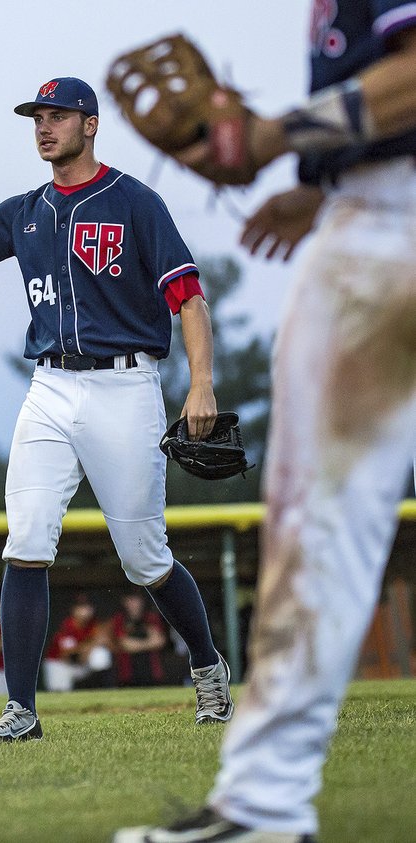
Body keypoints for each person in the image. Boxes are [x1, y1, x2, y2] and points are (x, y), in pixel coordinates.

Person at [115, 4, 416, 841]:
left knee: (320, 523)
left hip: (394, 230)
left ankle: (264, 805)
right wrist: (323, 185)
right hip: (371, 207)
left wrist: (278, 135)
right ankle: (263, 803)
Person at [0, 77, 234, 746]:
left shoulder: (135, 203)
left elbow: (190, 299)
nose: (44, 126)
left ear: (91, 124)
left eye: (58, 116)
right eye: (37, 117)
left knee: (145, 558)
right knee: (25, 542)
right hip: (49, 388)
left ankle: (207, 664)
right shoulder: (25, 211)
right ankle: (21, 710)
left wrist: (202, 384)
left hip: (125, 386)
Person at [43, 593, 113, 692]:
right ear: (74, 610)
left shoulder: (93, 624)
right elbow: (67, 655)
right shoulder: (67, 626)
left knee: (101, 653)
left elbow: (109, 644)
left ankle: (103, 690)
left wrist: (90, 646)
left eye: (87, 607)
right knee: (59, 693)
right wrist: (90, 645)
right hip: (59, 664)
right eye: (80, 607)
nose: (85, 611)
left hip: (81, 664)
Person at [111, 591, 167, 688]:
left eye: (136, 599)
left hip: (152, 672)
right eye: (130, 600)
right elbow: (125, 645)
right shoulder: (120, 619)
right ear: (124, 601)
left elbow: (160, 642)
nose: (134, 604)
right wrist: (149, 643)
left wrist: (136, 644)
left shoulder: (151, 617)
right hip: (127, 674)